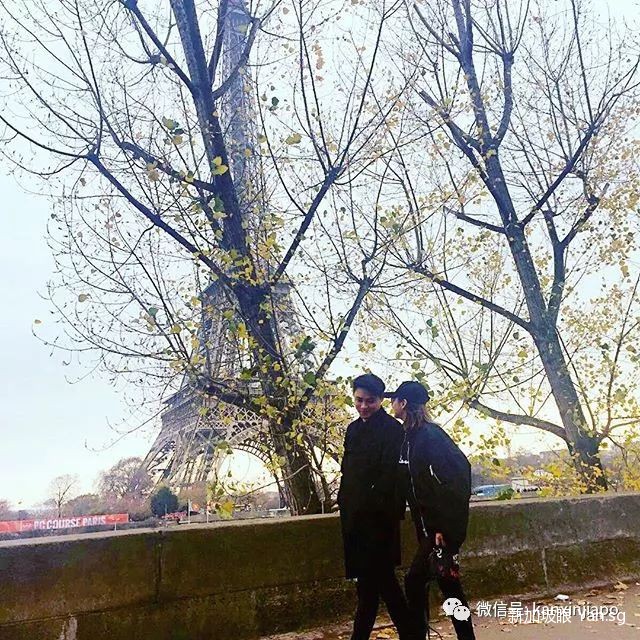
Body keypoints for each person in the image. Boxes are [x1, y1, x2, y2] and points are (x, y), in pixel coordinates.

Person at [386, 381, 475, 640]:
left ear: (403, 403)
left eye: (394, 400)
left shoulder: (431, 436)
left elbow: (458, 479)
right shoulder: (408, 438)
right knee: (449, 585)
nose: (391, 404)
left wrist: (442, 528)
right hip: (426, 528)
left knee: (415, 581)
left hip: (439, 530)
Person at [338, 373, 412, 640]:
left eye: (369, 401)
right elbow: (348, 471)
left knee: (376, 587)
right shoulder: (353, 429)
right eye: (359, 400)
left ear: (381, 400)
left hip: (378, 521)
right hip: (356, 519)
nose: (363, 406)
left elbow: (391, 478)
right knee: (377, 587)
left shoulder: (392, 430)